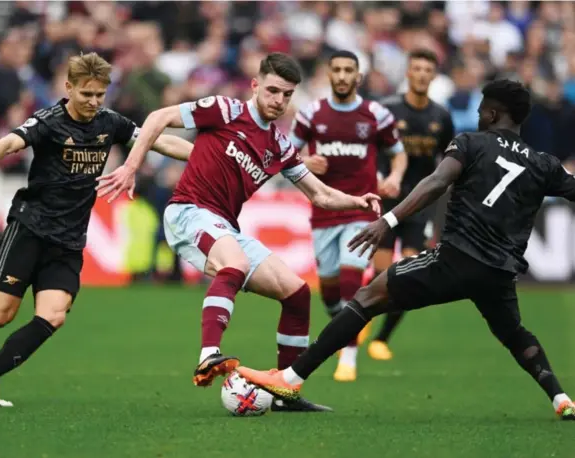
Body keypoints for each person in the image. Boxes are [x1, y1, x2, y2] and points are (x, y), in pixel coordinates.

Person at [236, 79, 575, 421]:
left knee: (367, 296)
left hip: (456, 258)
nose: (476, 114)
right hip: (500, 271)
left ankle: (290, 379)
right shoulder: (543, 163)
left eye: (480, 109)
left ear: (491, 112)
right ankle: (561, 398)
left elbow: (436, 182)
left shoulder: (471, 143)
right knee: (514, 334)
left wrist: (389, 221)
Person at [96, 52, 381, 412]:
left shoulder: (279, 146)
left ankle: (285, 391)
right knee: (235, 262)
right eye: (273, 91)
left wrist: (358, 201)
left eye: (287, 95)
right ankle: (209, 354)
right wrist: (131, 166)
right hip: (189, 210)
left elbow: (320, 194)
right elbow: (159, 117)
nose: (279, 101)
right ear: (256, 85)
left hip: (224, 224)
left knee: (296, 293)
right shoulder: (225, 110)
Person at [0, 52, 194, 407]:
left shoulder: (110, 122)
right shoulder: (49, 121)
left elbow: (157, 140)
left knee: (53, 315)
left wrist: (200, 156)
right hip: (31, 227)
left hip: (69, 238)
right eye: (86, 94)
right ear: (69, 88)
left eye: (99, 95)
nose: (93, 102)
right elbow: (13, 140)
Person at [289, 50, 406, 382]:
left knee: (351, 278)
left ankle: (349, 357)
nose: (342, 75)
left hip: (361, 209)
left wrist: (394, 178)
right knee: (329, 291)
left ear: (359, 76)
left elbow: (398, 155)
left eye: (348, 70)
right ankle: (345, 327)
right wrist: (306, 163)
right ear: (329, 74)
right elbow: (286, 154)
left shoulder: (376, 115)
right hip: (324, 210)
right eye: (336, 70)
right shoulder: (311, 114)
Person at [368, 49, 454, 361]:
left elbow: (449, 159)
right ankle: (362, 314)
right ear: (407, 72)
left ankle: (382, 339)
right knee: (380, 272)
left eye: (426, 69)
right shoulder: (387, 109)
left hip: (421, 205)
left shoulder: (441, 117)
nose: (420, 74)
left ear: (433, 76)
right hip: (389, 199)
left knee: (406, 274)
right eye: (415, 68)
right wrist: (378, 175)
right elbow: (370, 148)